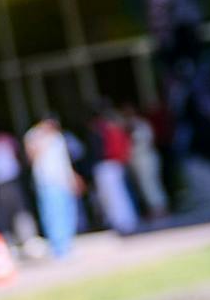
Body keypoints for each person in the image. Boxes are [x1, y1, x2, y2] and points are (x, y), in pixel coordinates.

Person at [24, 117, 85, 259]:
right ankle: (59, 248)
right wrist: (42, 140)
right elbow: (31, 156)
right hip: (48, 182)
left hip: (63, 181)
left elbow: (64, 162)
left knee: (67, 213)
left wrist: (72, 178)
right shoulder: (34, 136)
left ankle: (67, 244)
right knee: (52, 215)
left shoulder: (58, 138)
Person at [88, 106, 140, 236]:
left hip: (109, 164)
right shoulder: (112, 128)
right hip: (114, 165)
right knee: (116, 196)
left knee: (115, 196)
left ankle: (124, 224)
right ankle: (123, 223)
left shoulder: (105, 129)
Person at [122, 106, 170, 219]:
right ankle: (156, 208)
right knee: (147, 184)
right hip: (141, 158)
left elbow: (143, 141)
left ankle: (159, 208)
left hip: (145, 158)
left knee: (149, 184)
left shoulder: (139, 125)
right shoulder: (132, 125)